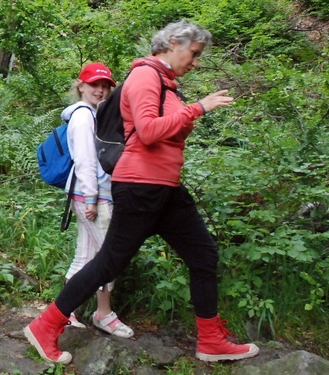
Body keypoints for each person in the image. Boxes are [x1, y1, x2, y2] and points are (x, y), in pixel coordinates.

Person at [24, 21, 260, 364]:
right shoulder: (145, 76)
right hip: (140, 186)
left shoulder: (168, 84)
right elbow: (148, 132)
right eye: (193, 54)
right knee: (108, 262)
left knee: (203, 254)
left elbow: (168, 134)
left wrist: (185, 114)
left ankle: (210, 340)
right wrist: (198, 108)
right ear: (174, 43)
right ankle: (45, 326)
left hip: (166, 187)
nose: (195, 62)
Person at [61, 62, 133, 338]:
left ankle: (64, 311)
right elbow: (85, 160)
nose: (101, 90)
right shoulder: (83, 117)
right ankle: (104, 313)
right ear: (81, 86)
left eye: (105, 86)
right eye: (95, 85)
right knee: (110, 256)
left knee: (86, 255)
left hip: (90, 194)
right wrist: (92, 198)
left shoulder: (93, 114)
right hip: (92, 195)